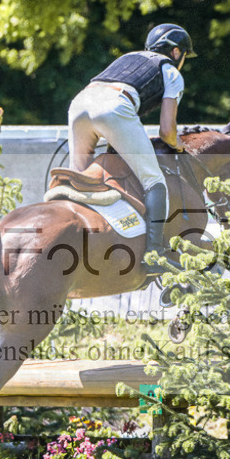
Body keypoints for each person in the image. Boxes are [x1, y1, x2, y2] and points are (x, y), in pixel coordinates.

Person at [67, 23, 195, 274]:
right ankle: (154, 254)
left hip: (79, 102)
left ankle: (75, 233)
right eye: (184, 56)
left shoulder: (127, 57)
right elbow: (167, 131)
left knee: (79, 180)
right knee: (154, 181)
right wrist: (178, 145)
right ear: (177, 52)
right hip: (114, 106)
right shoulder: (171, 71)